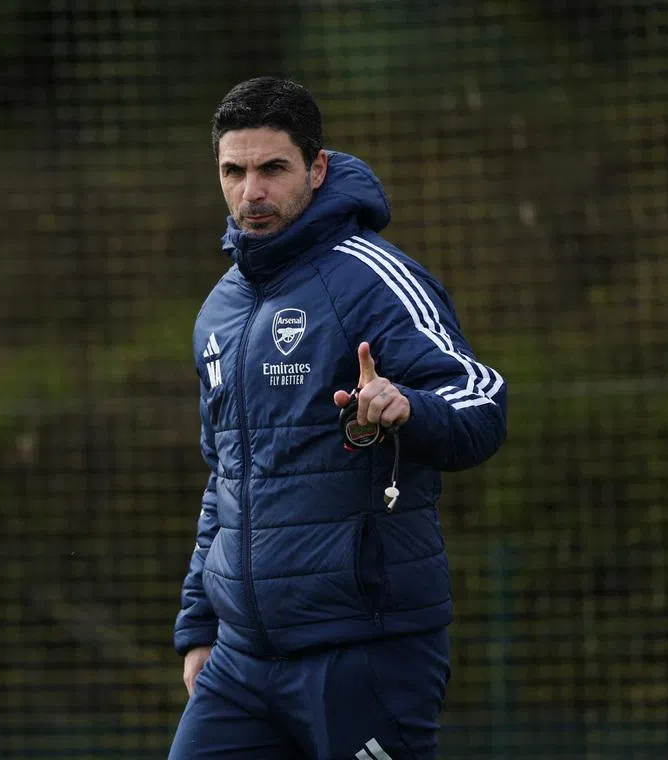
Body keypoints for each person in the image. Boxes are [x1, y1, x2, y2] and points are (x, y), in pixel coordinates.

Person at [169, 76, 507, 760]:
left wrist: (410, 408)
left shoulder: (374, 279)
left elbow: (482, 401)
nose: (250, 193)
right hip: (241, 662)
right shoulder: (220, 311)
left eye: (272, 169)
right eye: (233, 171)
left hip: (364, 650)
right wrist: (200, 625)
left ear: (316, 169)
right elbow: (226, 479)